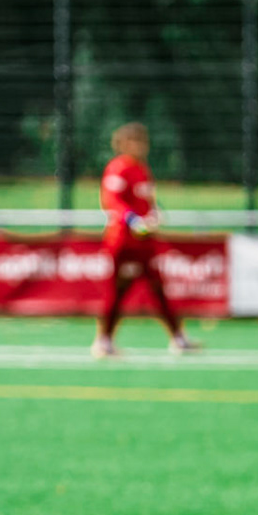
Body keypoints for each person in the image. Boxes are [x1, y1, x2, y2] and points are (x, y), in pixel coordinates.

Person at [94, 121, 196, 358]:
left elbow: (147, 201)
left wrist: (155, 213)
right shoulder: (118, 168)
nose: (142, 146)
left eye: (143, 141)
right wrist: (132, 220)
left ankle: (178, 338)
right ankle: (103, 340)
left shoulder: (142, 168)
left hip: (144, 242)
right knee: (117, 291)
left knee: (158, 288)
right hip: (122, 242)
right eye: (136, 141)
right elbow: (111, 200)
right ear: (124, 143)